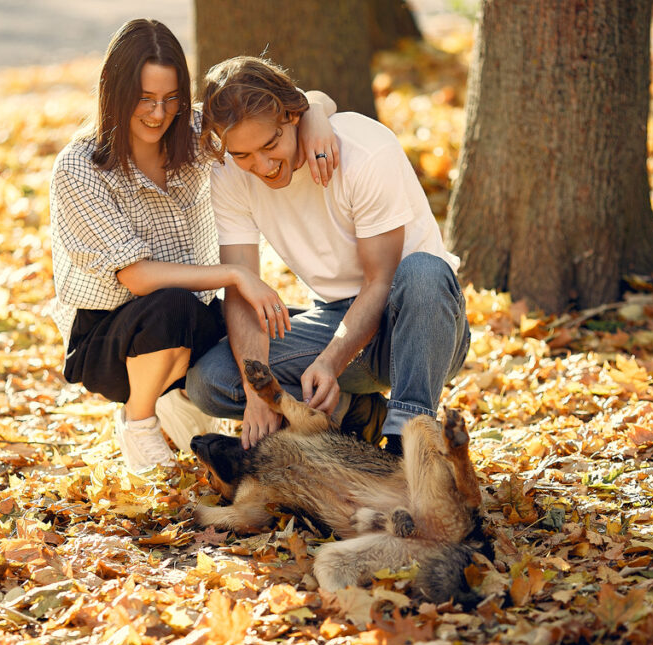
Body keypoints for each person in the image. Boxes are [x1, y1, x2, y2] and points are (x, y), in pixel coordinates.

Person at [48, 21, 338, 472]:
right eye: (145, 98)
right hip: (106, 340)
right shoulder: (79, 168)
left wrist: (316, 117)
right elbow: (137, 277)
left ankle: (355, 416)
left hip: (193, 316)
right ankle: (139, 420)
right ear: (114, 92)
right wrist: (237, 274)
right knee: (173, 305)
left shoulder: (198, 131)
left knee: (283, 337)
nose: (158, 113)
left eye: (171, 98)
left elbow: (299, 101)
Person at [186, 56, 470, 455]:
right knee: (211, 380)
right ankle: (357, 414)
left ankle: (407, 442)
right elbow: (241, 292)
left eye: (270, 145)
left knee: (425, 271)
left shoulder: (364, 151)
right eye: (243, 154)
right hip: (335, 318)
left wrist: (331, 361)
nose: (262, 166)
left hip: (418, 322)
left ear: (293, 116)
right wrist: (256, 391)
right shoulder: (229, 173)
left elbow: (380, 282)